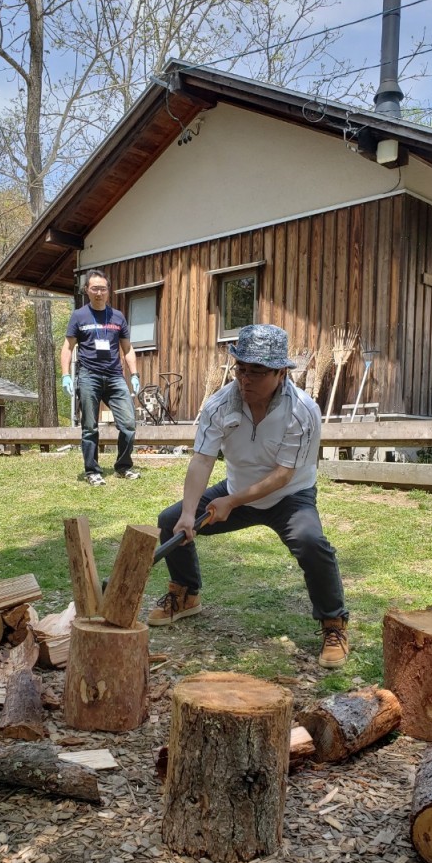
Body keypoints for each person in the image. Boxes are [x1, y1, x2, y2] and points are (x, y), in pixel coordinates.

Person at [148, 323, 349, 669]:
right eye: (241, 369)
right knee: (171, 522)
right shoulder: (219, 405)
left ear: (280, 372)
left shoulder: (303, 411)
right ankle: (186, 593)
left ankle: (334, 623)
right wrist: (189, 513)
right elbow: (202, 459)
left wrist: (233, 502)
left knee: (310, 541)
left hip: (290, 495)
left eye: (257, 371)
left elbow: (283, 474)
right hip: (234, 489)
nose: (246, 379)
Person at [61, 269, 141, 484]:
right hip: (89, 376)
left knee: (128, 424)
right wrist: (65, 375)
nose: (99, 293)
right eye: (94, 288)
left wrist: (134, 374)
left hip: (115, 376)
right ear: (87, 290)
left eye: (103, 289)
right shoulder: (79, 316)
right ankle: (92, 471)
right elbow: (68, 347)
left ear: (108, 291)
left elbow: (127, 348)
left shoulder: (117, 316)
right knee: (89, 427)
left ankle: (123, 466)